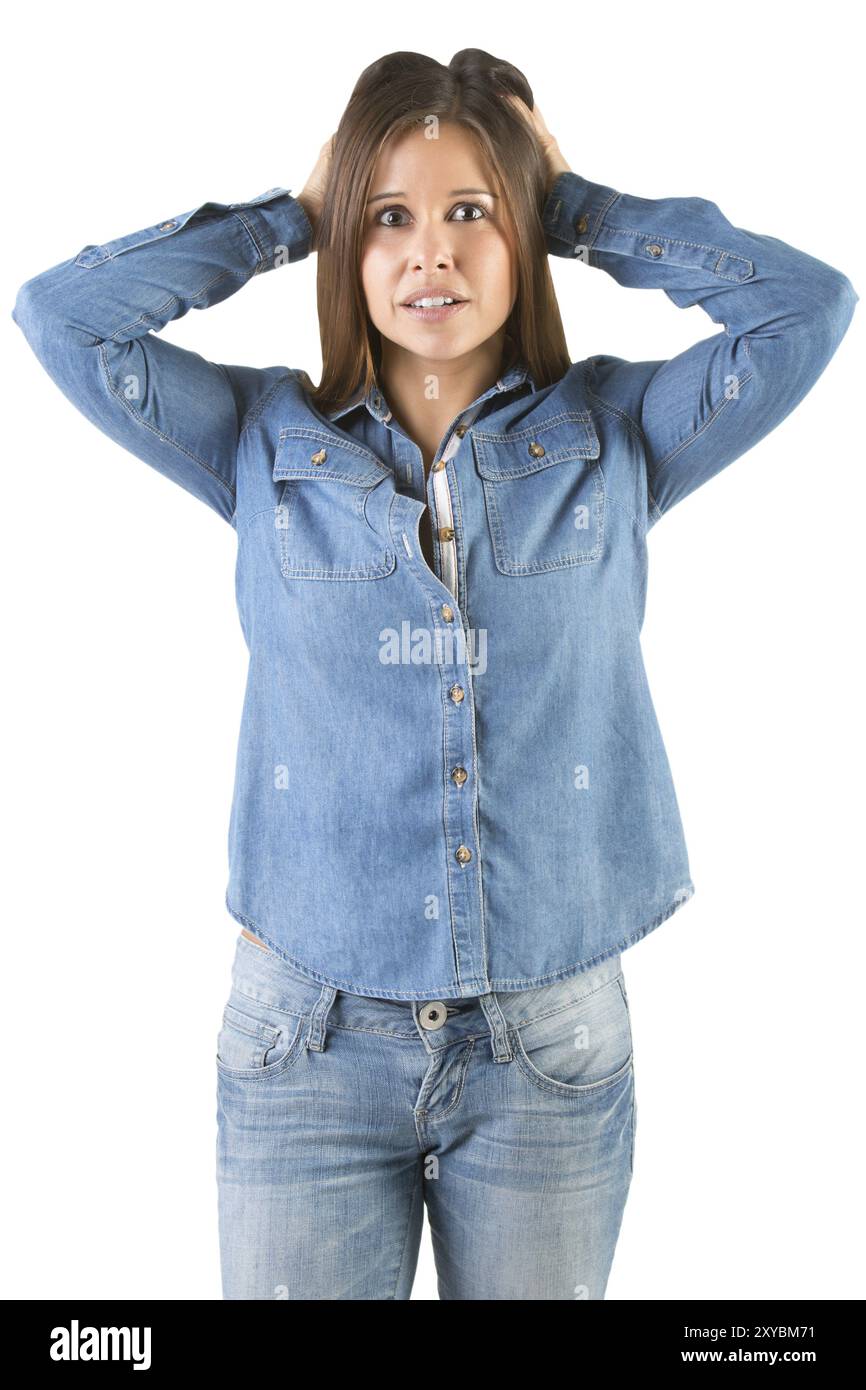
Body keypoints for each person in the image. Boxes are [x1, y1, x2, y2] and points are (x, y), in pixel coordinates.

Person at [11, 49, 857, 1300]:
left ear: (519, 236)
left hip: (545, 1046)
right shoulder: (259, 439)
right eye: (389, 219)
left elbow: (806, 306)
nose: (430, 255)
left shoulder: (618, 435)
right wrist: (288, 220)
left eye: (473, 213)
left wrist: (571, 202)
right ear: (352, 247)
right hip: (305, 1040)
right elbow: (59, 317)